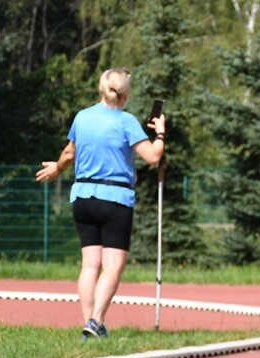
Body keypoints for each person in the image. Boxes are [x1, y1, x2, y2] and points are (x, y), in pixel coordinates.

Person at [35, 68, 166, 338]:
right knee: (113, 265)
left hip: (83, 197)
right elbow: (153, 157)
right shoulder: (126, 121)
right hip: (115, 198)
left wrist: (57, 169)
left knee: (89, 265)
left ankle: (89, 324)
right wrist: (161, 133)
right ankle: (96, 321)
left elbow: (69, 153)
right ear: (125, 96)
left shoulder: (82, 117)